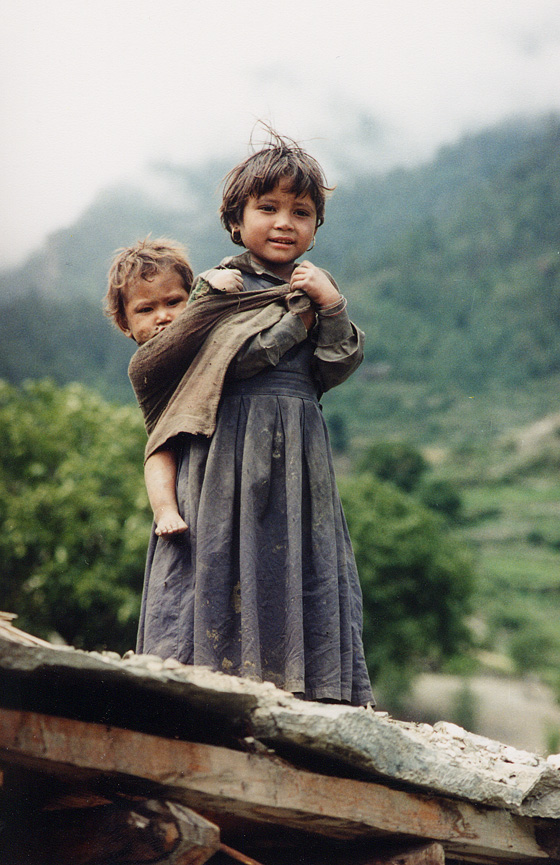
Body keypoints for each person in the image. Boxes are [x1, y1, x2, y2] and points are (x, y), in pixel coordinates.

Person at [130, 131, 374, 706]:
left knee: (295, 555)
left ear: (316, 226)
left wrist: (331, 306)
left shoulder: (311, 287)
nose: (284, 222)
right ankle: (200, 692)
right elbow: (233, 360)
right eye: (268, 208)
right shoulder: (221, 287)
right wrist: (298, 318)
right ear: (236, 222)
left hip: (298, 450)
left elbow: (335, 365)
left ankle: (307, 690)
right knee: (219, 552)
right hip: (228, 451)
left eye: (301, 211)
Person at [104, 236, 242, 536]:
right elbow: (202, 311)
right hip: (171, 431)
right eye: (145, 310)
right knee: (157, 454)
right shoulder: (146, 360)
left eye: (172, 302)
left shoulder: (197, 329)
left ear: (187, 299)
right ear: (125, 323)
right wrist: (211, 284)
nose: (163, 317)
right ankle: (165, 510)